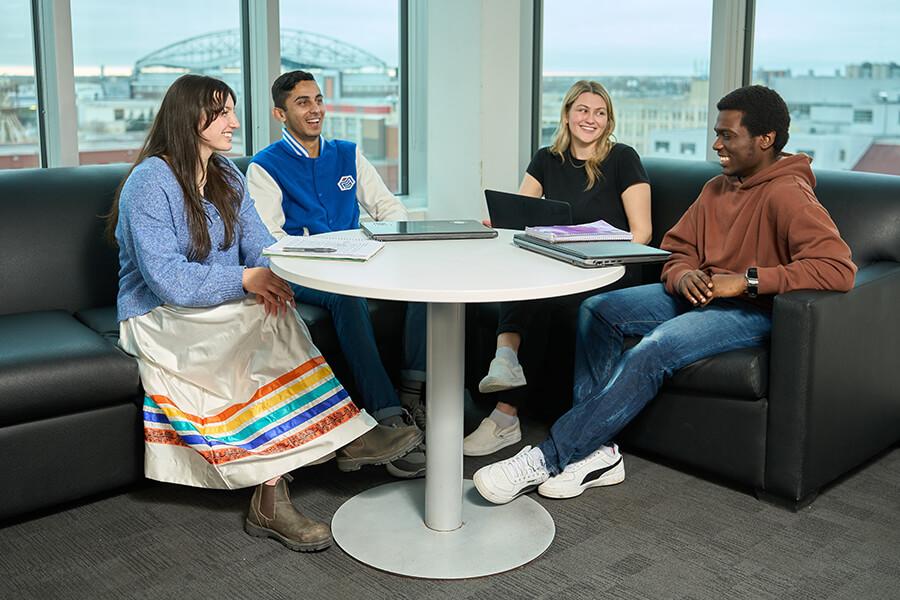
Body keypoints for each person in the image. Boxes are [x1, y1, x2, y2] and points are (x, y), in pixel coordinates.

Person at [473, 85, 857, 504]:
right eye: (717, 133)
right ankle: (597, 452)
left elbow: (838, 269)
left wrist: (747, 281)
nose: (717, 144)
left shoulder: (789, 193)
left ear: (764, 139)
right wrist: (684, 273)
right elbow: (674, 250)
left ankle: (549, 456)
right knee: (598, 310)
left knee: (656, 347)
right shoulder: (716, 188)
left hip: (751, 309)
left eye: (727, 135)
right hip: (701, 292)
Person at [109, 74, 422, 551]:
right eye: (224, 112)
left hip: (216, 304)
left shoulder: (227, 174)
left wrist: (269, 275)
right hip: (158, 314)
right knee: (260, 320)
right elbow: (167, 279)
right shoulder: (149, 182)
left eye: (233, 110)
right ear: (191, 117)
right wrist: (245, 280)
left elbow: (261, 246)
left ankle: (285, 487)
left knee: (274, 313)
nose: (235, 122)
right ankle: (342, 440)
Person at [247, 70, 428, 479]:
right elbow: (270, 241)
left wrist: (393, 239)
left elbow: (389, 208)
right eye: (302, 103)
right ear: (280, 113)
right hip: (303, 272)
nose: (315, 110)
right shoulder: (264, 167)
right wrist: (320, 249)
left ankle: (414, 391)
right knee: (347, 299)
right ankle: (387, 416)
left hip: (358, 259)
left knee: (424, 277)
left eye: (318, 100)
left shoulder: (348, 154)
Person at [464, 80, 652, 457]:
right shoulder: (546, 158)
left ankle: (504, 415)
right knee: (522, 281)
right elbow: (520, 213)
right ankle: (505, 359)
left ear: (609, 121)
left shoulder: (623, 158)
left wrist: (598, 248)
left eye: (600, 113)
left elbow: (642, 232)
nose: (590, 119)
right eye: (583, 110)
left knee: (545, 298)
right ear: (566, 115)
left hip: (611, 268)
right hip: (564, 263)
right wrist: (499, 223)